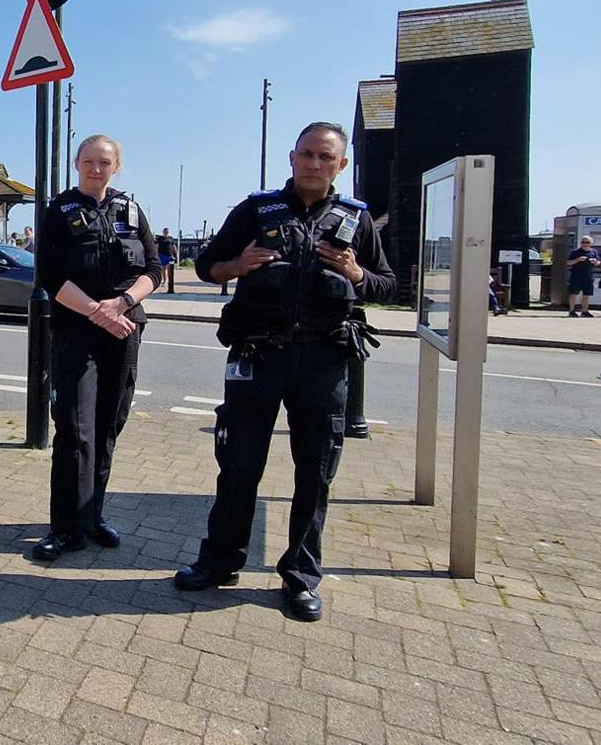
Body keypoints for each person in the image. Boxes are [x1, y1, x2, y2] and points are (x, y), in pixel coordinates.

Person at [174, 122, 395, 622]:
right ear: (292, 158)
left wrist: (356, 273)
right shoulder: (255, 210)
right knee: (238, 466)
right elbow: (206, 266)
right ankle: (220, 562)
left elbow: (388, 285)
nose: (315, 164)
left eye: (326, 157)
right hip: (258, 355)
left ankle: (300, 577)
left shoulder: (357, 221)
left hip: (323, 360)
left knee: (314, 474)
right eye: (307, 154)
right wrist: (239, 265)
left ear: (340, 164)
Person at [31, 135, 161, 562]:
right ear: (77, 163)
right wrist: (96, 312)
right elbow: (49, 275)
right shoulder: (60, 210)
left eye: (104, 162)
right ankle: (64, 528)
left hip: (124, 328)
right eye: (88, 161)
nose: (96, 169)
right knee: (74, 428)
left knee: (107, 425)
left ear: (116, 166)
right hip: (76, 331)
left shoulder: (132, 209)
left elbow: (154, 271)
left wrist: (123, 303)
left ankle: (93, 516)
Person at [567, 235, 600, 317]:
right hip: (576, 275)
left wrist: (595, 262)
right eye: (583, 242)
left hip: (588, 276)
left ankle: (584, 311)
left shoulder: (594, 252)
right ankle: (571, 310)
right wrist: (577, 260)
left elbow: (598, 263)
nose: (585, 244)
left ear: (591, 243)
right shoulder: (576, 252)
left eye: (587, 242)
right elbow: (568, 263)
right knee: (573, 293)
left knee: (586, 294)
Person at [156, 227, 176, 292]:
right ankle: (164, 281)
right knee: (163, 269)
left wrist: (175, 254)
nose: (166, 233)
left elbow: (174, 246)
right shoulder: (160, 238)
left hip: (169, 256)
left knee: (169, 269)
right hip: (161, 255)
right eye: (165, 232)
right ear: (163, 232)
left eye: (167, 232)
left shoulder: (171, 239)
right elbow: (157, 246)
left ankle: (169, 282)